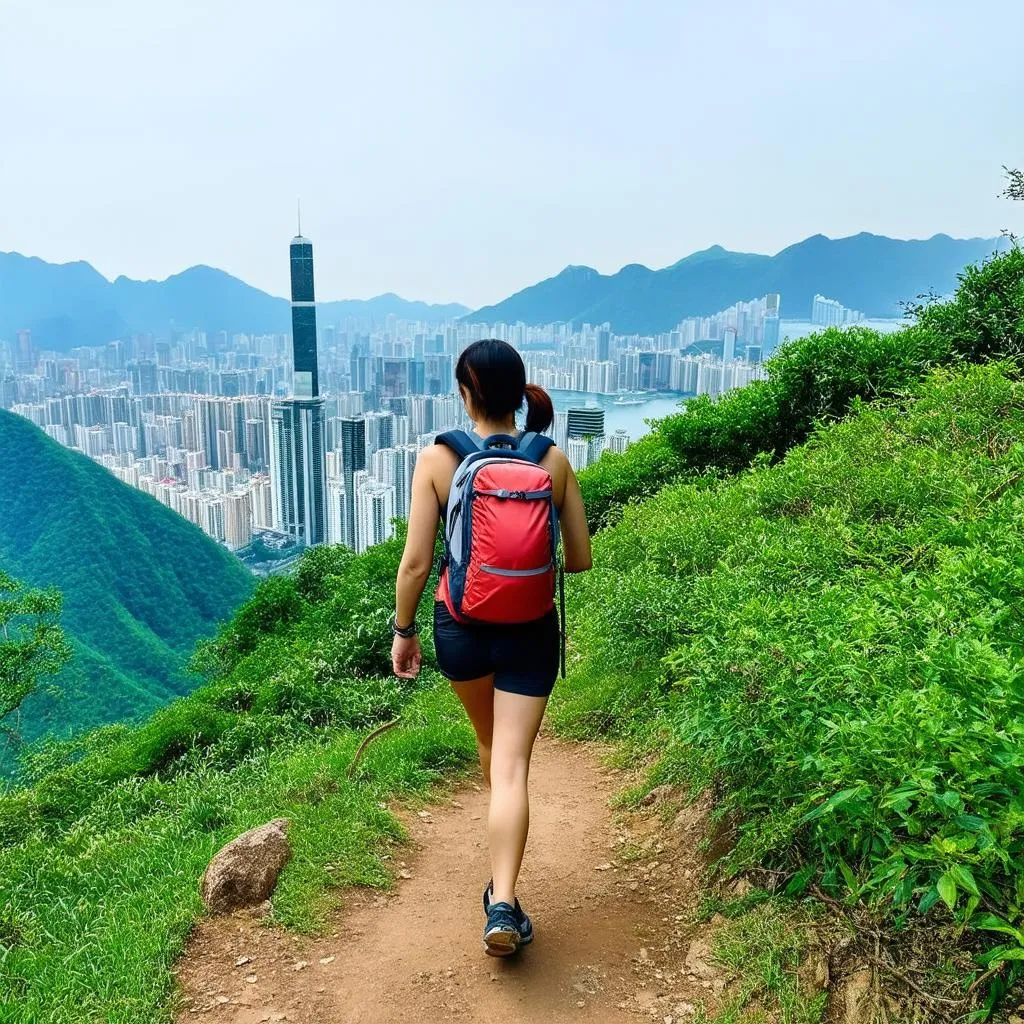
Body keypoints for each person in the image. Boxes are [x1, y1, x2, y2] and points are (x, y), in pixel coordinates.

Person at [391, 338, 592, 957]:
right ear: (519, 392)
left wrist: (404, 632)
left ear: (464, 393)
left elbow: (417, 564)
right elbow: (580, 560)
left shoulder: (436, 459)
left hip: (462, 631)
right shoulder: (552, 460)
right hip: (531, 632)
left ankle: (499, 883)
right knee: (512, 765)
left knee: (490, 748)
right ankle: (502, 901)